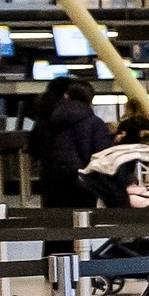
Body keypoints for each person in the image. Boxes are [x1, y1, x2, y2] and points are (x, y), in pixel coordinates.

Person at [30, 75, 112, 212]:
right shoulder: (92, 121)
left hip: (51, 178)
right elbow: (103, 154)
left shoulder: (46, 118)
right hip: (83, 179)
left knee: (55, 221)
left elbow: (34, 147)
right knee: (82, 221)